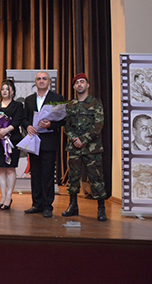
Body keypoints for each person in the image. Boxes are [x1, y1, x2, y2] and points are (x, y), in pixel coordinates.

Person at [61, 73, 108, 221]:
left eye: (82, 82)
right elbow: (67, 126)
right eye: (76, 83)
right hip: (74, 148)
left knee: (96, 178)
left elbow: (98, 124)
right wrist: (74, 139)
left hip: (92, 148)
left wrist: (83, 139)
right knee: (73, 178)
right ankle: (73, 205)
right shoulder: (70, 105)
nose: (79, 85)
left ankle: (101, 209)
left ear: (88, 85)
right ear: (74, 87)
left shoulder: (95, 103)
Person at [22, 71, 65, 218]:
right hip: (33, 141)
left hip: (49, 142)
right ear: (35, 82)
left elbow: (63, 119)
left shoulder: (57, 98)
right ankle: (36, 204)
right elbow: (24, 118)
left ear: (49, 82)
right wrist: (27, 126)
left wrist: (51, 125)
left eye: (44, 79)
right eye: (39, 79)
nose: (41, 81)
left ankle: (47, 206)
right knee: (35, 174)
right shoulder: (29, 99)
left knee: (47, 175)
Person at [0, 79, 24, 210]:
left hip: (12, 139)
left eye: (7, 89)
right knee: (1, 168)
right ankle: (3, 196)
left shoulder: (18, 105)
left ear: (12, 92)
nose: (4, 91)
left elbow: (17, 120)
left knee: (10, 168)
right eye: (3, 89)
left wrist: (6, 130)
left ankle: (9, 196)